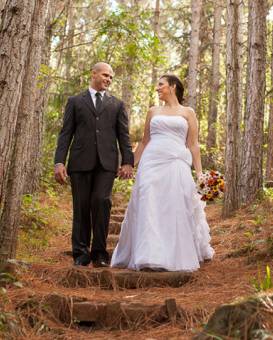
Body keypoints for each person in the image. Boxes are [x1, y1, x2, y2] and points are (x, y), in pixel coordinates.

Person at [110, 74, 215, 272]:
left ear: (172, 87)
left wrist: (199, 173)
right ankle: (147, 255)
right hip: (151, 161)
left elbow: (193, 144)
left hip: (176, 163)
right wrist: (129, 164)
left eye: (161, 84)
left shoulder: (188, 112)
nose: (157, 88)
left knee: (173, 206)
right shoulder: (153, 111)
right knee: (148, 201)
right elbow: (144, 141)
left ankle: (172, 254)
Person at [54, 62, 134, 268]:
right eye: (105, 75)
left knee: (101, 201)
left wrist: (127, 162)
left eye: (111, 77)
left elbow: (124, 136)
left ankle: (100, 254)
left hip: (106, 164)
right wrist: (59, 162)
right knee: (81, 207)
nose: (108, 79)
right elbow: (66, 134)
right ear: (94, 74)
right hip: (80, 162)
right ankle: (80, 254)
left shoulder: (117, 105)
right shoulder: (75, 101)